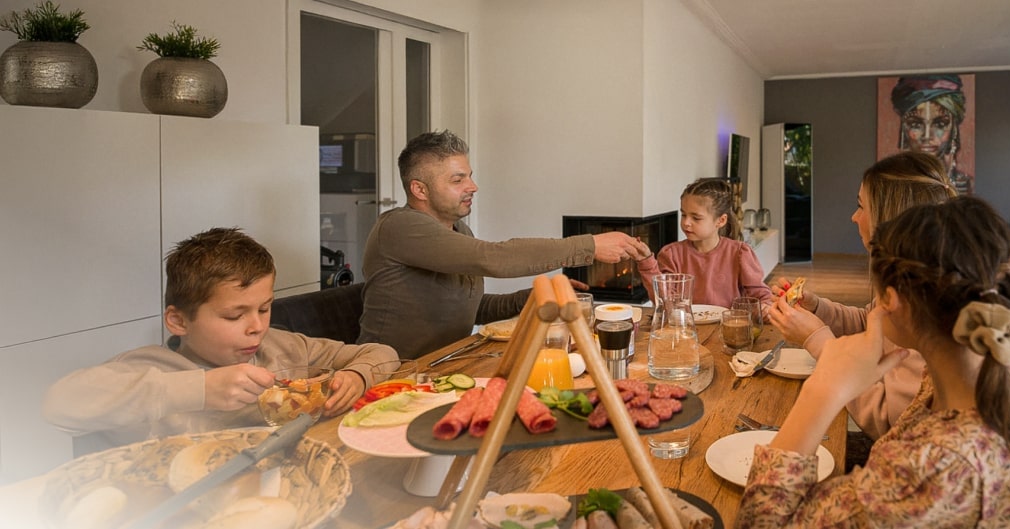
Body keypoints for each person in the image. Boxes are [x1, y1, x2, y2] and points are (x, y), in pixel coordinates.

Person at [738, 196, 1010, 527]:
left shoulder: (934, 472)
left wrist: (822, 389)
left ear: (894, 302)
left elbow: (758, 521)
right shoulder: (976, 380)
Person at [42, 227, 397, 449]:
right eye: (234, 315)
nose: (256, 326)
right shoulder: (155, 369)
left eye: (264, 308)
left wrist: (356, 376)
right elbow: (59, 404)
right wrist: (200, 388)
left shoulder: (281, 347)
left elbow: (382, 353)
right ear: (179, 321)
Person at [768, 152, 1010, 441]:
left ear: (888, 217)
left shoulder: (935, 320)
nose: (854, 217)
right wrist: (818, 309)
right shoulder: (928, 287)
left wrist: (820, 344)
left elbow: (889, 424)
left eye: (860, 206)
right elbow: (873, 323)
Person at [358, 130, 649, 359]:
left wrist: (537, 297)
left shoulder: (459, 230)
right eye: (458, 180)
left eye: (469, 177)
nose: (472, 187)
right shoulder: (398, 227)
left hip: (446, 363)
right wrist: (590, 245)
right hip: (396, 376)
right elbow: (493, 258)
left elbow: (473, 310)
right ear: (419, 189)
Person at [636, 178, 773, 309]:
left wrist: (765, 308)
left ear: (721, 221)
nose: (686, 223)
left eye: (696, 218)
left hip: (729, 329)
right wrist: (646, 262)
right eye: (684, 215)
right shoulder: (671, 255)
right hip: (686, 329)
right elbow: (665, 303)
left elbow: (760, 296)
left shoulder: (739, 253)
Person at [890, 74, 972, 195]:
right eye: (915, 124)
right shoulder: (891, 186)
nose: (927, 135)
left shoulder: (967, 185)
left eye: (940, 124)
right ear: (903, 129)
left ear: (954, 129)